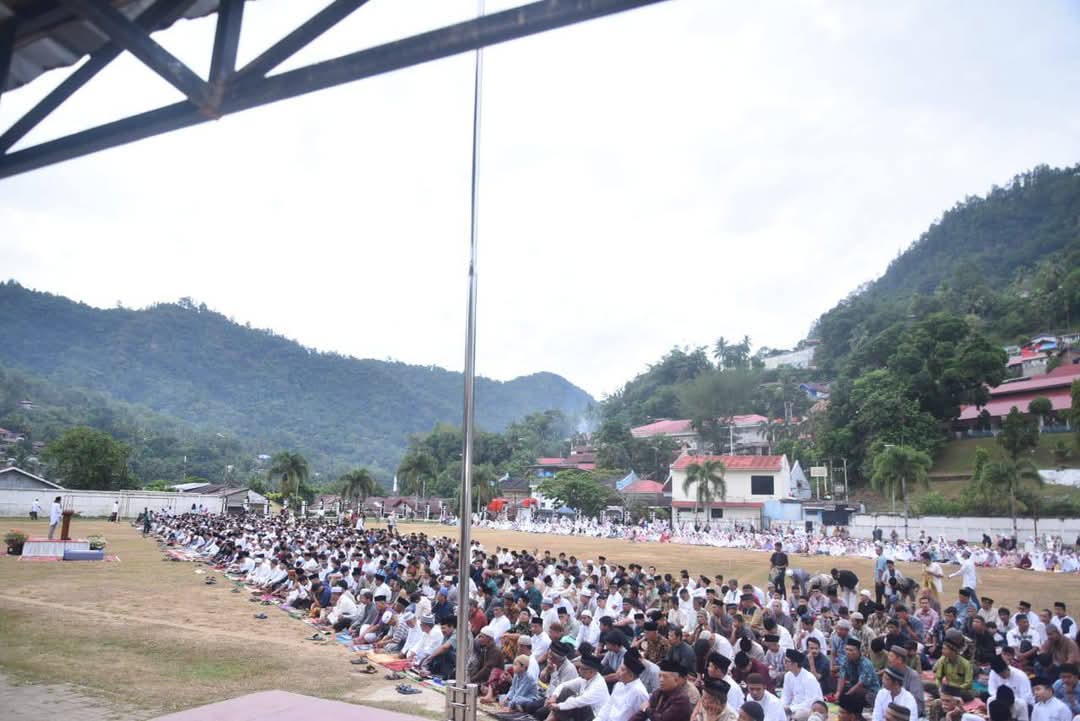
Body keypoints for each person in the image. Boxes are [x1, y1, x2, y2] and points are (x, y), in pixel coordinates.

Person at [548, 653, 610, 721]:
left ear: (591, 672)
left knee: (572, 701)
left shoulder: (598, 686)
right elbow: (563, 685)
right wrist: (554, 696)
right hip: (583, 711)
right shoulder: (585, 678)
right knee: (566, 691)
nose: (579, 670)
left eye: (581, 668)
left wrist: (559, 706)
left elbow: (579, 701)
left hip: (595, 717)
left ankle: (552, 718)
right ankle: (552, 718)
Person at [594, 654, 650, 721]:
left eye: (622, 670)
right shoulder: (619, 685)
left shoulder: (639, 692)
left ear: (631, 675)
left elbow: (643, 717)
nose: (618, 672)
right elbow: (609, 705)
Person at [780, 649, 823, 721]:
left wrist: (790, 708)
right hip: (793, 707)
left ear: (795, 664)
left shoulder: (809, 678)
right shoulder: (788, 675)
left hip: (810, 709)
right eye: (785, 660)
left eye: (787, 661)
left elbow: (810, 702)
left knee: (797, 716)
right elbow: (786, 695)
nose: (785, 663)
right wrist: (782, 707)